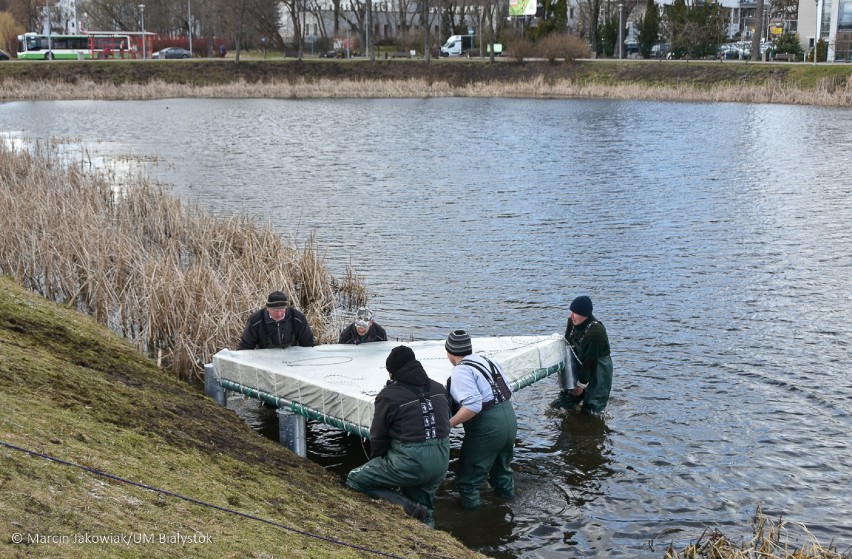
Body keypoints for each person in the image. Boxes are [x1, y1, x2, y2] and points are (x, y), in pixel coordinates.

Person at [346, 345, 451, 526]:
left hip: (410, 460)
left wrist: (378, 461)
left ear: (392, 373)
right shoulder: (439, 388)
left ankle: (409, 507)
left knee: (355, 479)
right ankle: (431, 537)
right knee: (426, 508)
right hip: (442, 458)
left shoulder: (388, 396)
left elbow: (378, 436)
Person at [445, 329, 516, 509]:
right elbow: (509, 388)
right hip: (509, 418)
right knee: (502, 474)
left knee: (469, 482)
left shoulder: (460, 371)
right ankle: (510, 508)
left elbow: (474, 405)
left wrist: (449, 424)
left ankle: (476, 525)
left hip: (488, 428)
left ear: (449, 353)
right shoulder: (488, 361)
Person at [550, 295, 613, 414]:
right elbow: (567, 344)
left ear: (585, 315)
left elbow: (590, 361)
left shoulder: (596, 332)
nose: (571, 316)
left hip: (598, 366)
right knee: (562, 402)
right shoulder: (572, 322)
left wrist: (581, 386)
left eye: (575, 313)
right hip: (579, 360)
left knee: (592, 409)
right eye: (571, 312)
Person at [238, 291, 314, 350]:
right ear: (268, 308)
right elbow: (246, 346)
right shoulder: (256, 321)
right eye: (275, 311)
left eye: (282, 310)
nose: (279, 314)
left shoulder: (298, 318)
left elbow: (308, 343)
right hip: (266, 359)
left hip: (292, 357)